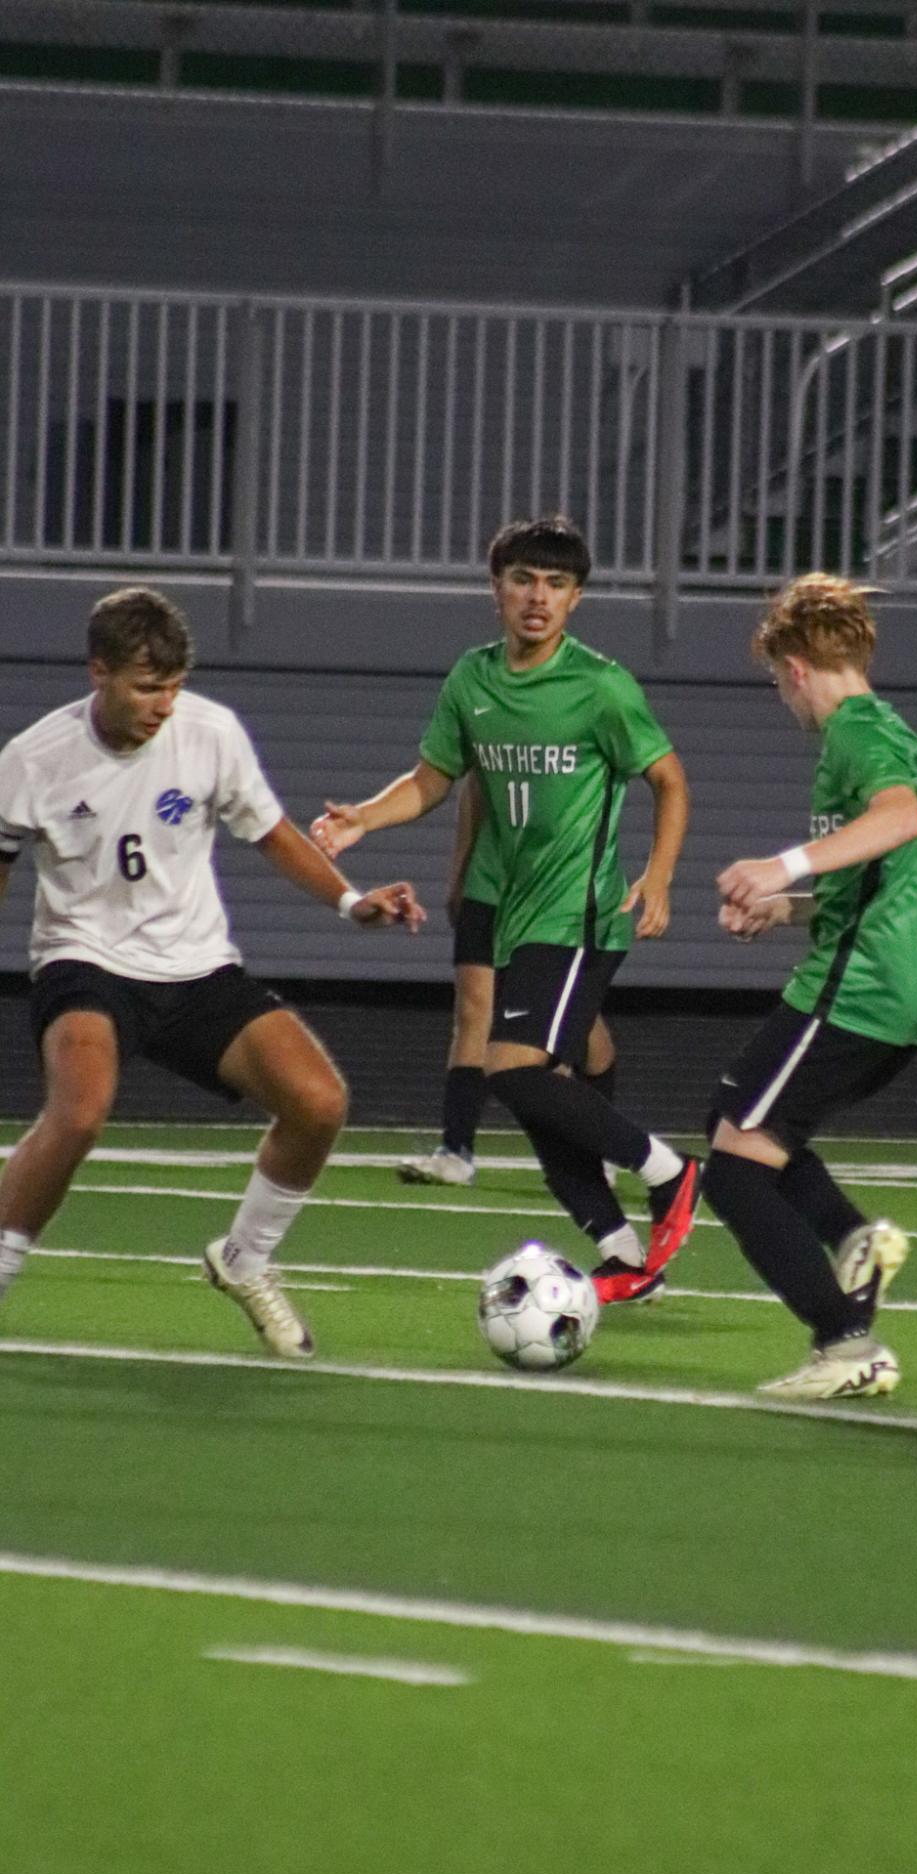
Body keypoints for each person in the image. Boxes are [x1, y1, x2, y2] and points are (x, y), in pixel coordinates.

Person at [0, 586, 424, 1359]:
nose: (165, 704)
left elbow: (272, 832)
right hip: (84, 961)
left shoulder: (211, 733)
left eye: (174, 684)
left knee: (319, 1102)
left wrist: (351, 901)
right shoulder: (33, 761)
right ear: (99, 672)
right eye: (146, 686)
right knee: (82, 1111)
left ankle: (244, 1259)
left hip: (197, 969)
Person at [314, 515, 699, 1303]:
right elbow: (432, 778)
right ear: (497, 587)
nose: (538, 597)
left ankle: (671, 1171)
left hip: (582, 915)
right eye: (524, 579)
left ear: (576, 599)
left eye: (556, 584)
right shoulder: (473, 679)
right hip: (518, 912)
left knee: (514, 1068)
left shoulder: (601, 686)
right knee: (534, 1099)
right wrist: (363, 816)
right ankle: (624, 1255)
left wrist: (658, 878)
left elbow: (670, 780)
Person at [702, 572, 917, 1398]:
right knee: (739, 1120)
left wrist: (783, 861)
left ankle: (846, 1343)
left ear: (797, 667)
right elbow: (889, 875)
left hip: (857, 991)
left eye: (780, 681)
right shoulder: (894, 732)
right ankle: (856, 1242)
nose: (786, 699)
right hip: (889, 986)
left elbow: (899, 819)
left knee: (735, 1170)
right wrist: (787, 908)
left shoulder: (857, 732)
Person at [395, 769, 619, 1187]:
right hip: (491, 883)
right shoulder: (490, 709)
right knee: (474, 1008)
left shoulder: (587, 712)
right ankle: (456, 1151)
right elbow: (475, 786)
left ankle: (600, 1145)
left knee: (580, 1023)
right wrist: (460, 871)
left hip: (554, 892)